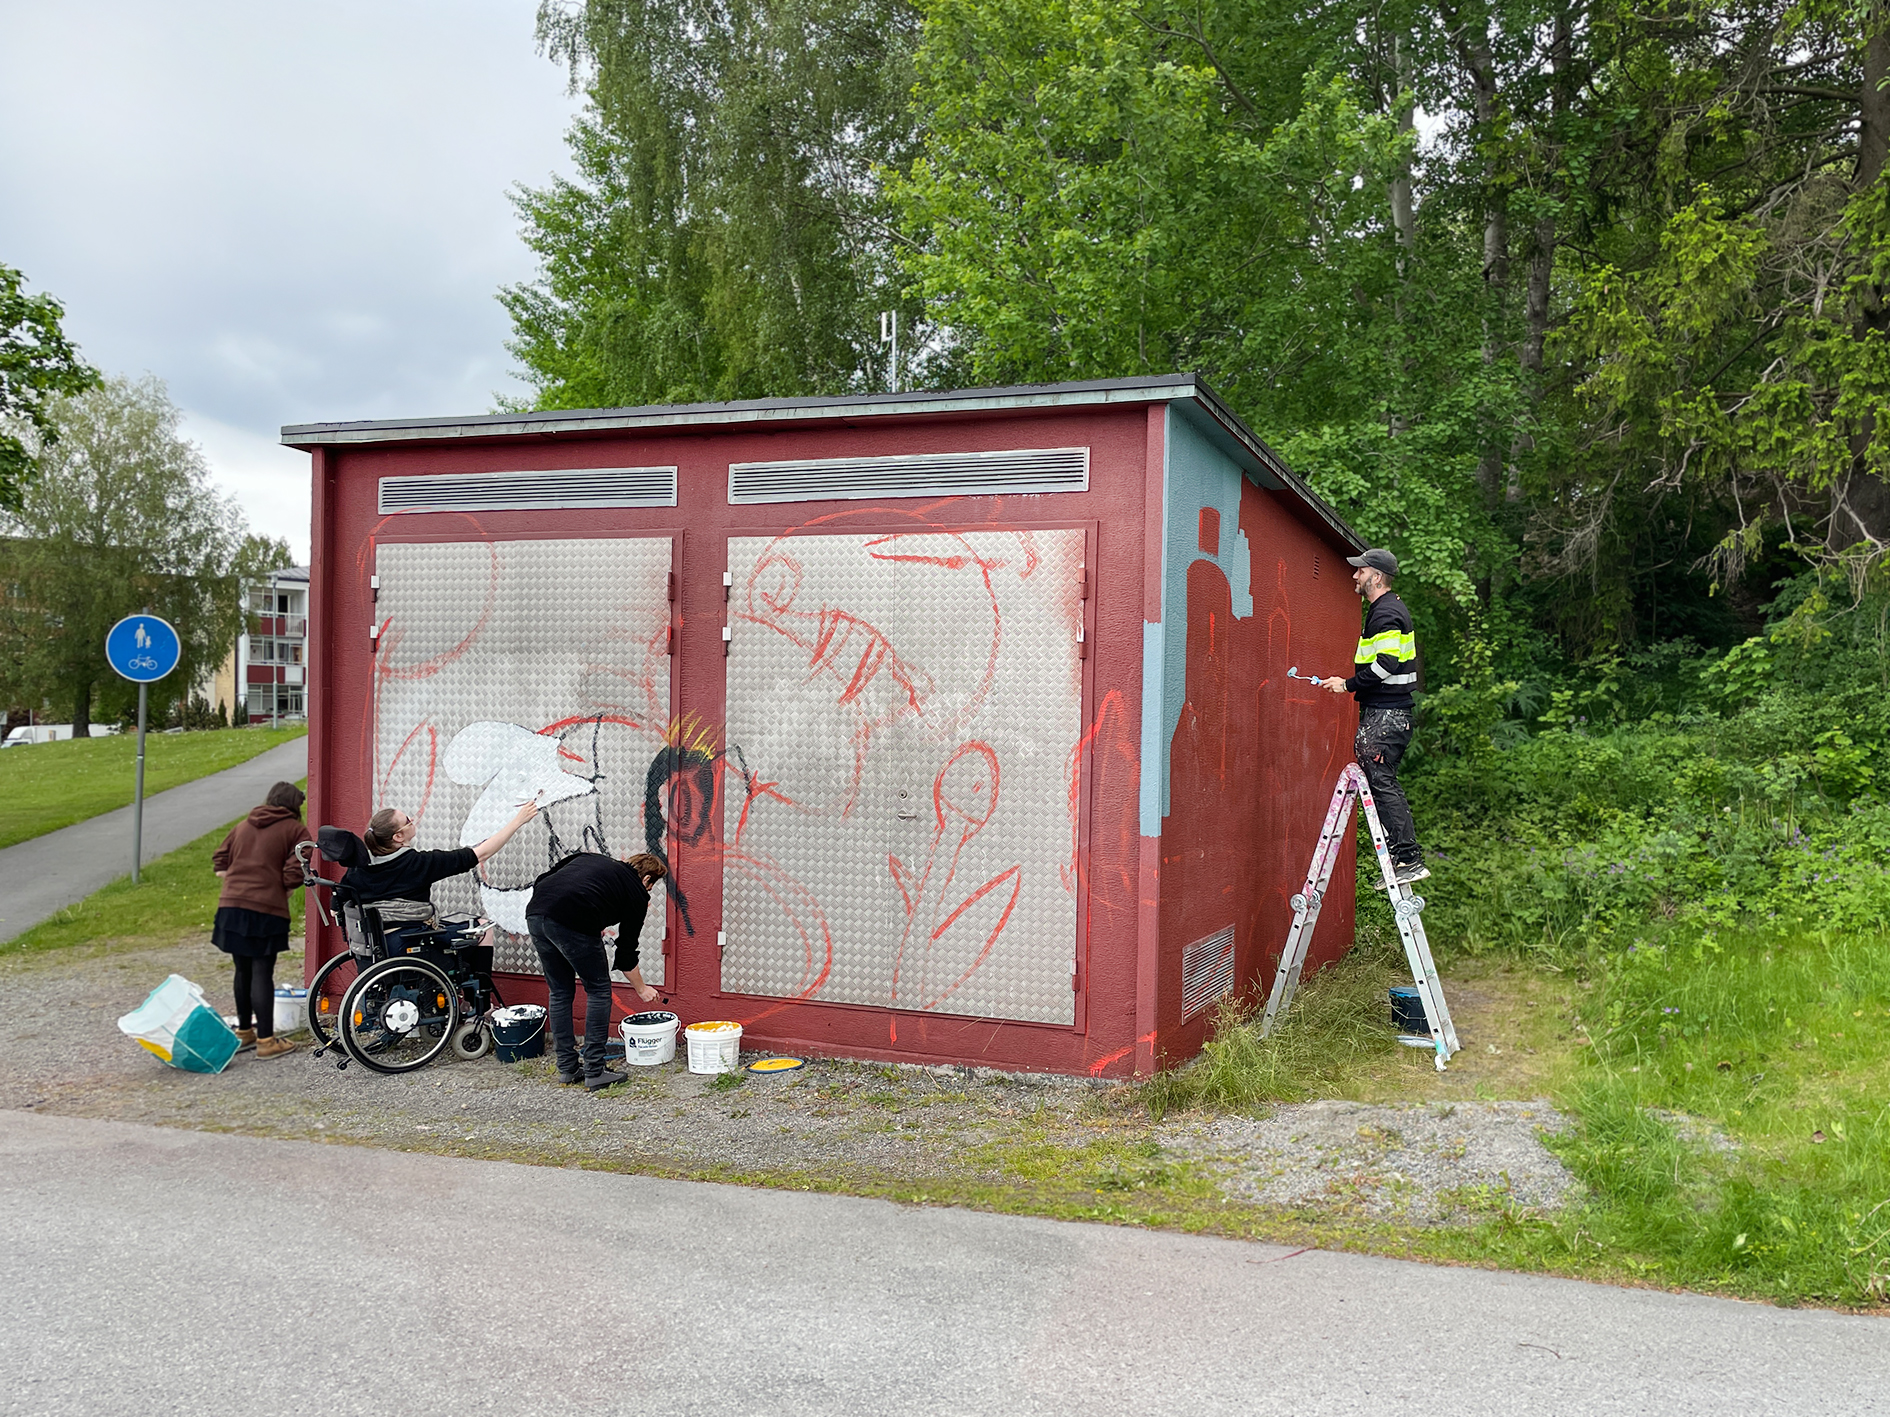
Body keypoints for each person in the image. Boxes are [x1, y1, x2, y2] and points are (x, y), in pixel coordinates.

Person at [1323, 547, 1428, 887]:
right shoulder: (1386, 610)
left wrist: (1347, 684)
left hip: (1387, 713)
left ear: (1376, 576)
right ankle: (1404, 856)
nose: (1355, 576)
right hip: (1388, 712)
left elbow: (1386, 665)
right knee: (1381, 779)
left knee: (1381, 780)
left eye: (1361, 571)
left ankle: (1408, 857)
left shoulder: (1386, 613)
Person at [525, 851, 667, 1091]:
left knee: (560, 991)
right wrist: (641, 989)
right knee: (599, 990)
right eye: (651, 886)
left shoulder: (589, 858)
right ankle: (594, 1070)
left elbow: (545, 878)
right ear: (647, 879)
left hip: (537, 913)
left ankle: (567, 1068)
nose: (649, 892)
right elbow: (626, 952)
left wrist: (588, 916)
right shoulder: (637, 892)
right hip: (573, 919)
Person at [212, 781, 314, 1059]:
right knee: (261, 971)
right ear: (295, 805)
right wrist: (280, 885)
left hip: (231, 906)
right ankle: (267, 1041)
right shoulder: (295, 830)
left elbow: (220, 861)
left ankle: (245, 1033)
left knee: (241, 969)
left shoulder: (243, 825)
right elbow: (296, 871)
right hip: (265, 909)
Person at [340, 799, 539, 907]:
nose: (413, 821)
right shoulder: (418, 864)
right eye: (408, 820)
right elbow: (480, 854)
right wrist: (517, 821)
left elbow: (339, 897)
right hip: (412, 937)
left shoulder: (358, 867)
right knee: (479, 930)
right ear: (398, 837)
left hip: (376, 946)